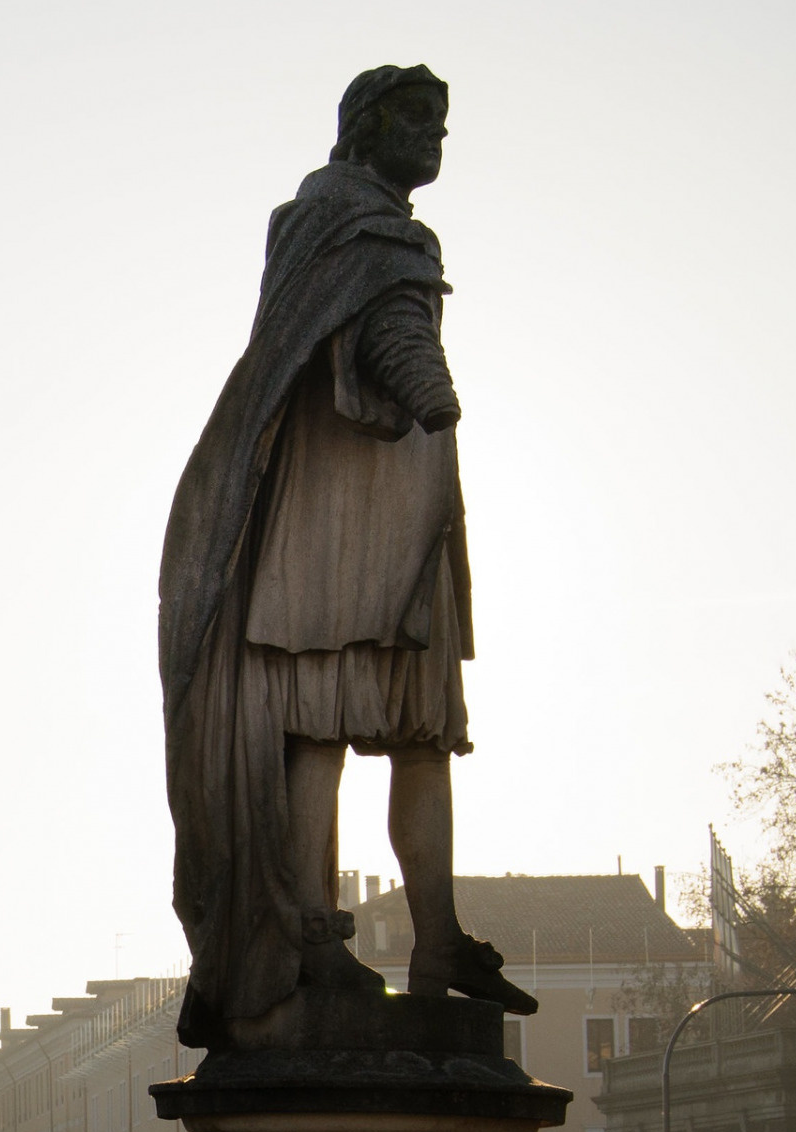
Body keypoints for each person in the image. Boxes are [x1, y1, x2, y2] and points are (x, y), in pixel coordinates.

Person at [158, 64, 535, 1047]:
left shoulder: (377, 230)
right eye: (418, 122)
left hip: (405, 518)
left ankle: (438, 937)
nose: (435, 140)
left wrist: (417, 376)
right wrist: (422, 377)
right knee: (319, 723)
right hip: (331, 522)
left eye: (443, 125)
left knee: (420, 728)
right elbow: (374, 328)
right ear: (365, 128)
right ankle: (312, 935)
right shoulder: (336, 219)